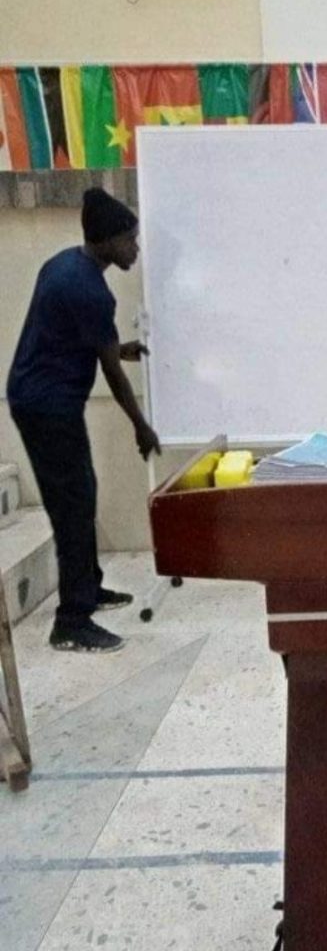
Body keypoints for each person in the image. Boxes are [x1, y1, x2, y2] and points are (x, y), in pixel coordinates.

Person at [6, 187, 161, 653]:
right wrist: (141, 426)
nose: (135, 248)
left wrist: (119, 348)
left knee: (81, 493)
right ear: (107, 240)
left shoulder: (66, 265)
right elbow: (112, 374)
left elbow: (85, 340)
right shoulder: (88, 290)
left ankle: (88, 587)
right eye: (130, 240)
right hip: (46, 406)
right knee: (72, 507)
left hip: (41, 397)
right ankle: (72, 622)